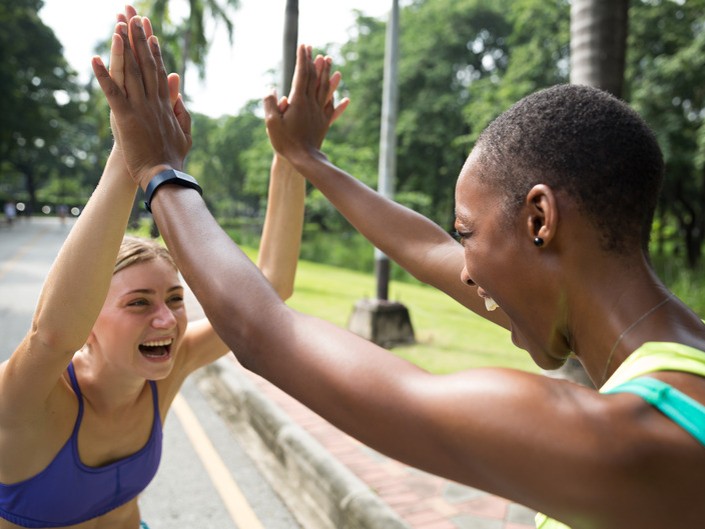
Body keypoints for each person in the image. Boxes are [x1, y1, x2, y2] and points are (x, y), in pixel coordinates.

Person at [95, 15, 705, 529]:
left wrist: (158, 171)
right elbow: (431, 250)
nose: (463, 271)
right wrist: (308, 159)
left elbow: (263, 333)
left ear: (539, 220)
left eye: (468, 233)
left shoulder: (629, 438)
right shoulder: (683, 361)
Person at [0, 6, 332, 528]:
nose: (168, 320)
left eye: (174, 299)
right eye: (139, 303)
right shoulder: (23, 400)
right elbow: (51, 335)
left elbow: (271, 288)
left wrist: (291, 159)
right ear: (88, 317)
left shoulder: (166, 369)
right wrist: (128, 155)